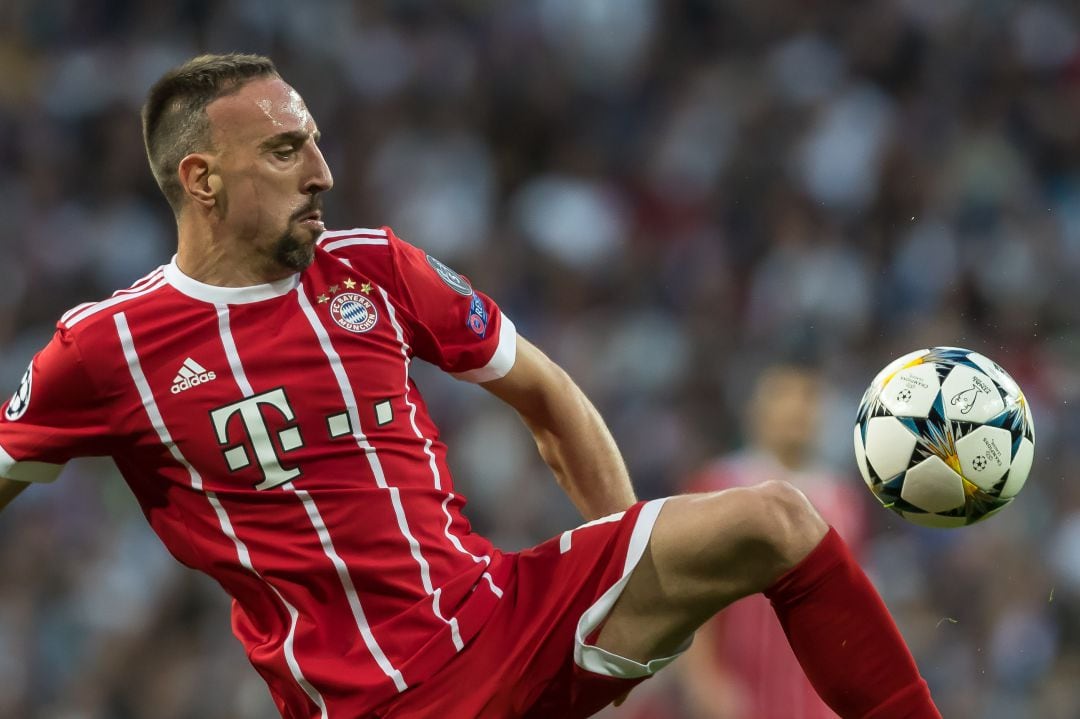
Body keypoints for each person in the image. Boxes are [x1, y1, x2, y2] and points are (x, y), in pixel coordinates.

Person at [0, 54, 941, 719]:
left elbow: (549, 396)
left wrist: (626, 555)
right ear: (201, 179)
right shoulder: (106, 348)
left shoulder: (375, 267)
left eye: (316, 143)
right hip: (372, 701)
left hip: (502, 614)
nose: (324, 172)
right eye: (286, 152)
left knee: (775, 519)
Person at [674, 362, 872, 719]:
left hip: (814, 705)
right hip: (737, 696)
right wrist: (702, 678)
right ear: (756, 409)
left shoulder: (843, 500)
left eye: (808, 399)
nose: (797, 410)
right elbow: (687, 592)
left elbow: (849, 608)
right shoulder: (717, 485)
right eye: (784, 397)